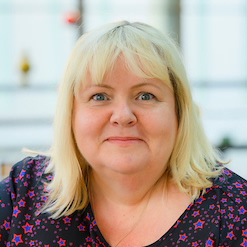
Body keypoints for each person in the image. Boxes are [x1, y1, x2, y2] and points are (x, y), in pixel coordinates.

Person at [0, 20, 247, 247]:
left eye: (146, 95)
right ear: (71, 113)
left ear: (179, 111)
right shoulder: (23, 191)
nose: (122, 115)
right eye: (99, 96)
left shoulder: (235, 211)